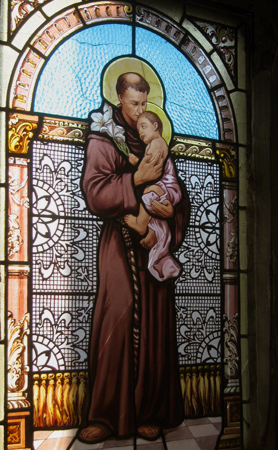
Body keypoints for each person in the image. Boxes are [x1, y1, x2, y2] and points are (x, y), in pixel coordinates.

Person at [79, 71, 187, 444]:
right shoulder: (103, 136)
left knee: (155, 325)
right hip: (118, 244)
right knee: (117, 316)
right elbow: (95, 193)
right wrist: (135, 180)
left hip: (152, 244)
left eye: (144, 103)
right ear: (118, 98)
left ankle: (151, 411)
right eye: (133, 102)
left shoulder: (156, 140)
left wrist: (171, 211)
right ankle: (107, 415)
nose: (139, 108)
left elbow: (176, 192)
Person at [124, 111, 182, 281]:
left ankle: (140, 223)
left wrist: (136, 163)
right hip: (164, 187)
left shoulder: (157, 143)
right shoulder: (154, 144)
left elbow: (148, 165)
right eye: (138, 129)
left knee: (148, 192)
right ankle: (153, 233)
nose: (140, 132)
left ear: (155, 126)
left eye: (144, 126)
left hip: (169, 186)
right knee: (151, 198)